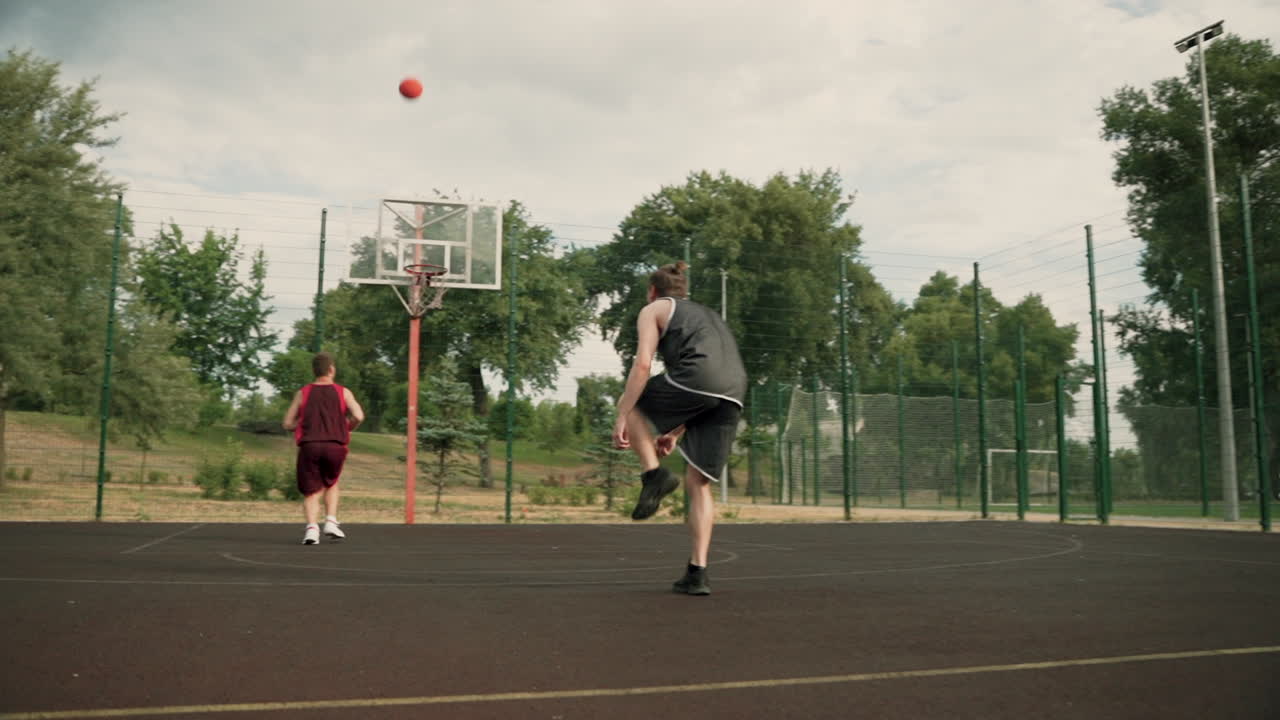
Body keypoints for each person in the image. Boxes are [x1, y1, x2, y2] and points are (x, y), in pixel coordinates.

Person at [613, 261, 747, 596]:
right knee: (698, 483)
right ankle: (697, 572)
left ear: (653, 291)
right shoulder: (707, 315)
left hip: (701, 379)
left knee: (633, 401)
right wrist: (674, 431)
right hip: (734, 390)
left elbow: (643, 363)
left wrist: (623, 413)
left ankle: (654, 476)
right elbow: (712, 383)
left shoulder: (653, 308)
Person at [282, 352, 365, 545]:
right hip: (335, 445)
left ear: (314, 371)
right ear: (331, 369)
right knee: (331, 482)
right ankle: (330, 521)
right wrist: (346, 427)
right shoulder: (343, 392)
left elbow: (287, 423)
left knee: (311, 491)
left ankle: (312, 530)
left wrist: (303, 423)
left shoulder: (303, 393)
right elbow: (359, 416)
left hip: (310, 445)